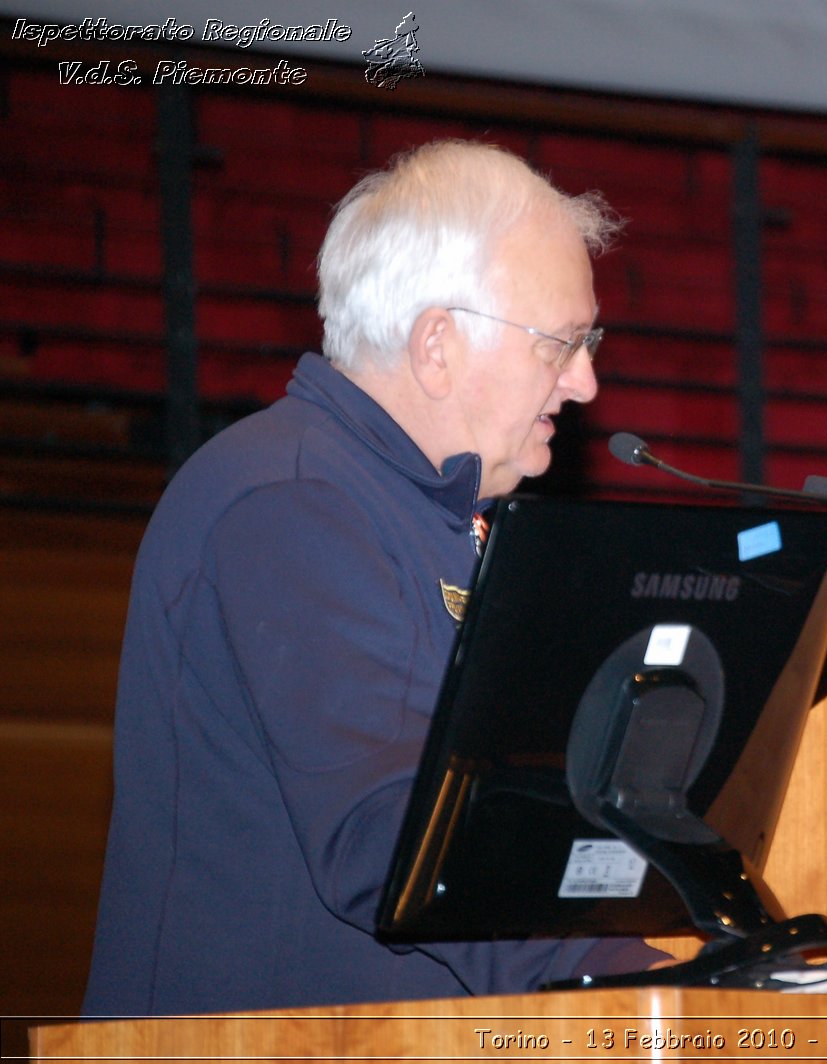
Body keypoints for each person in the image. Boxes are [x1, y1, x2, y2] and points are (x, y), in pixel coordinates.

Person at [82, 140, 666, 1015]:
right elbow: (392, 833)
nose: (584, 381)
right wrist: (630, 978)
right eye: (561, 343)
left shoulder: (427, 513)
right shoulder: (290, 500)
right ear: (437, 344)